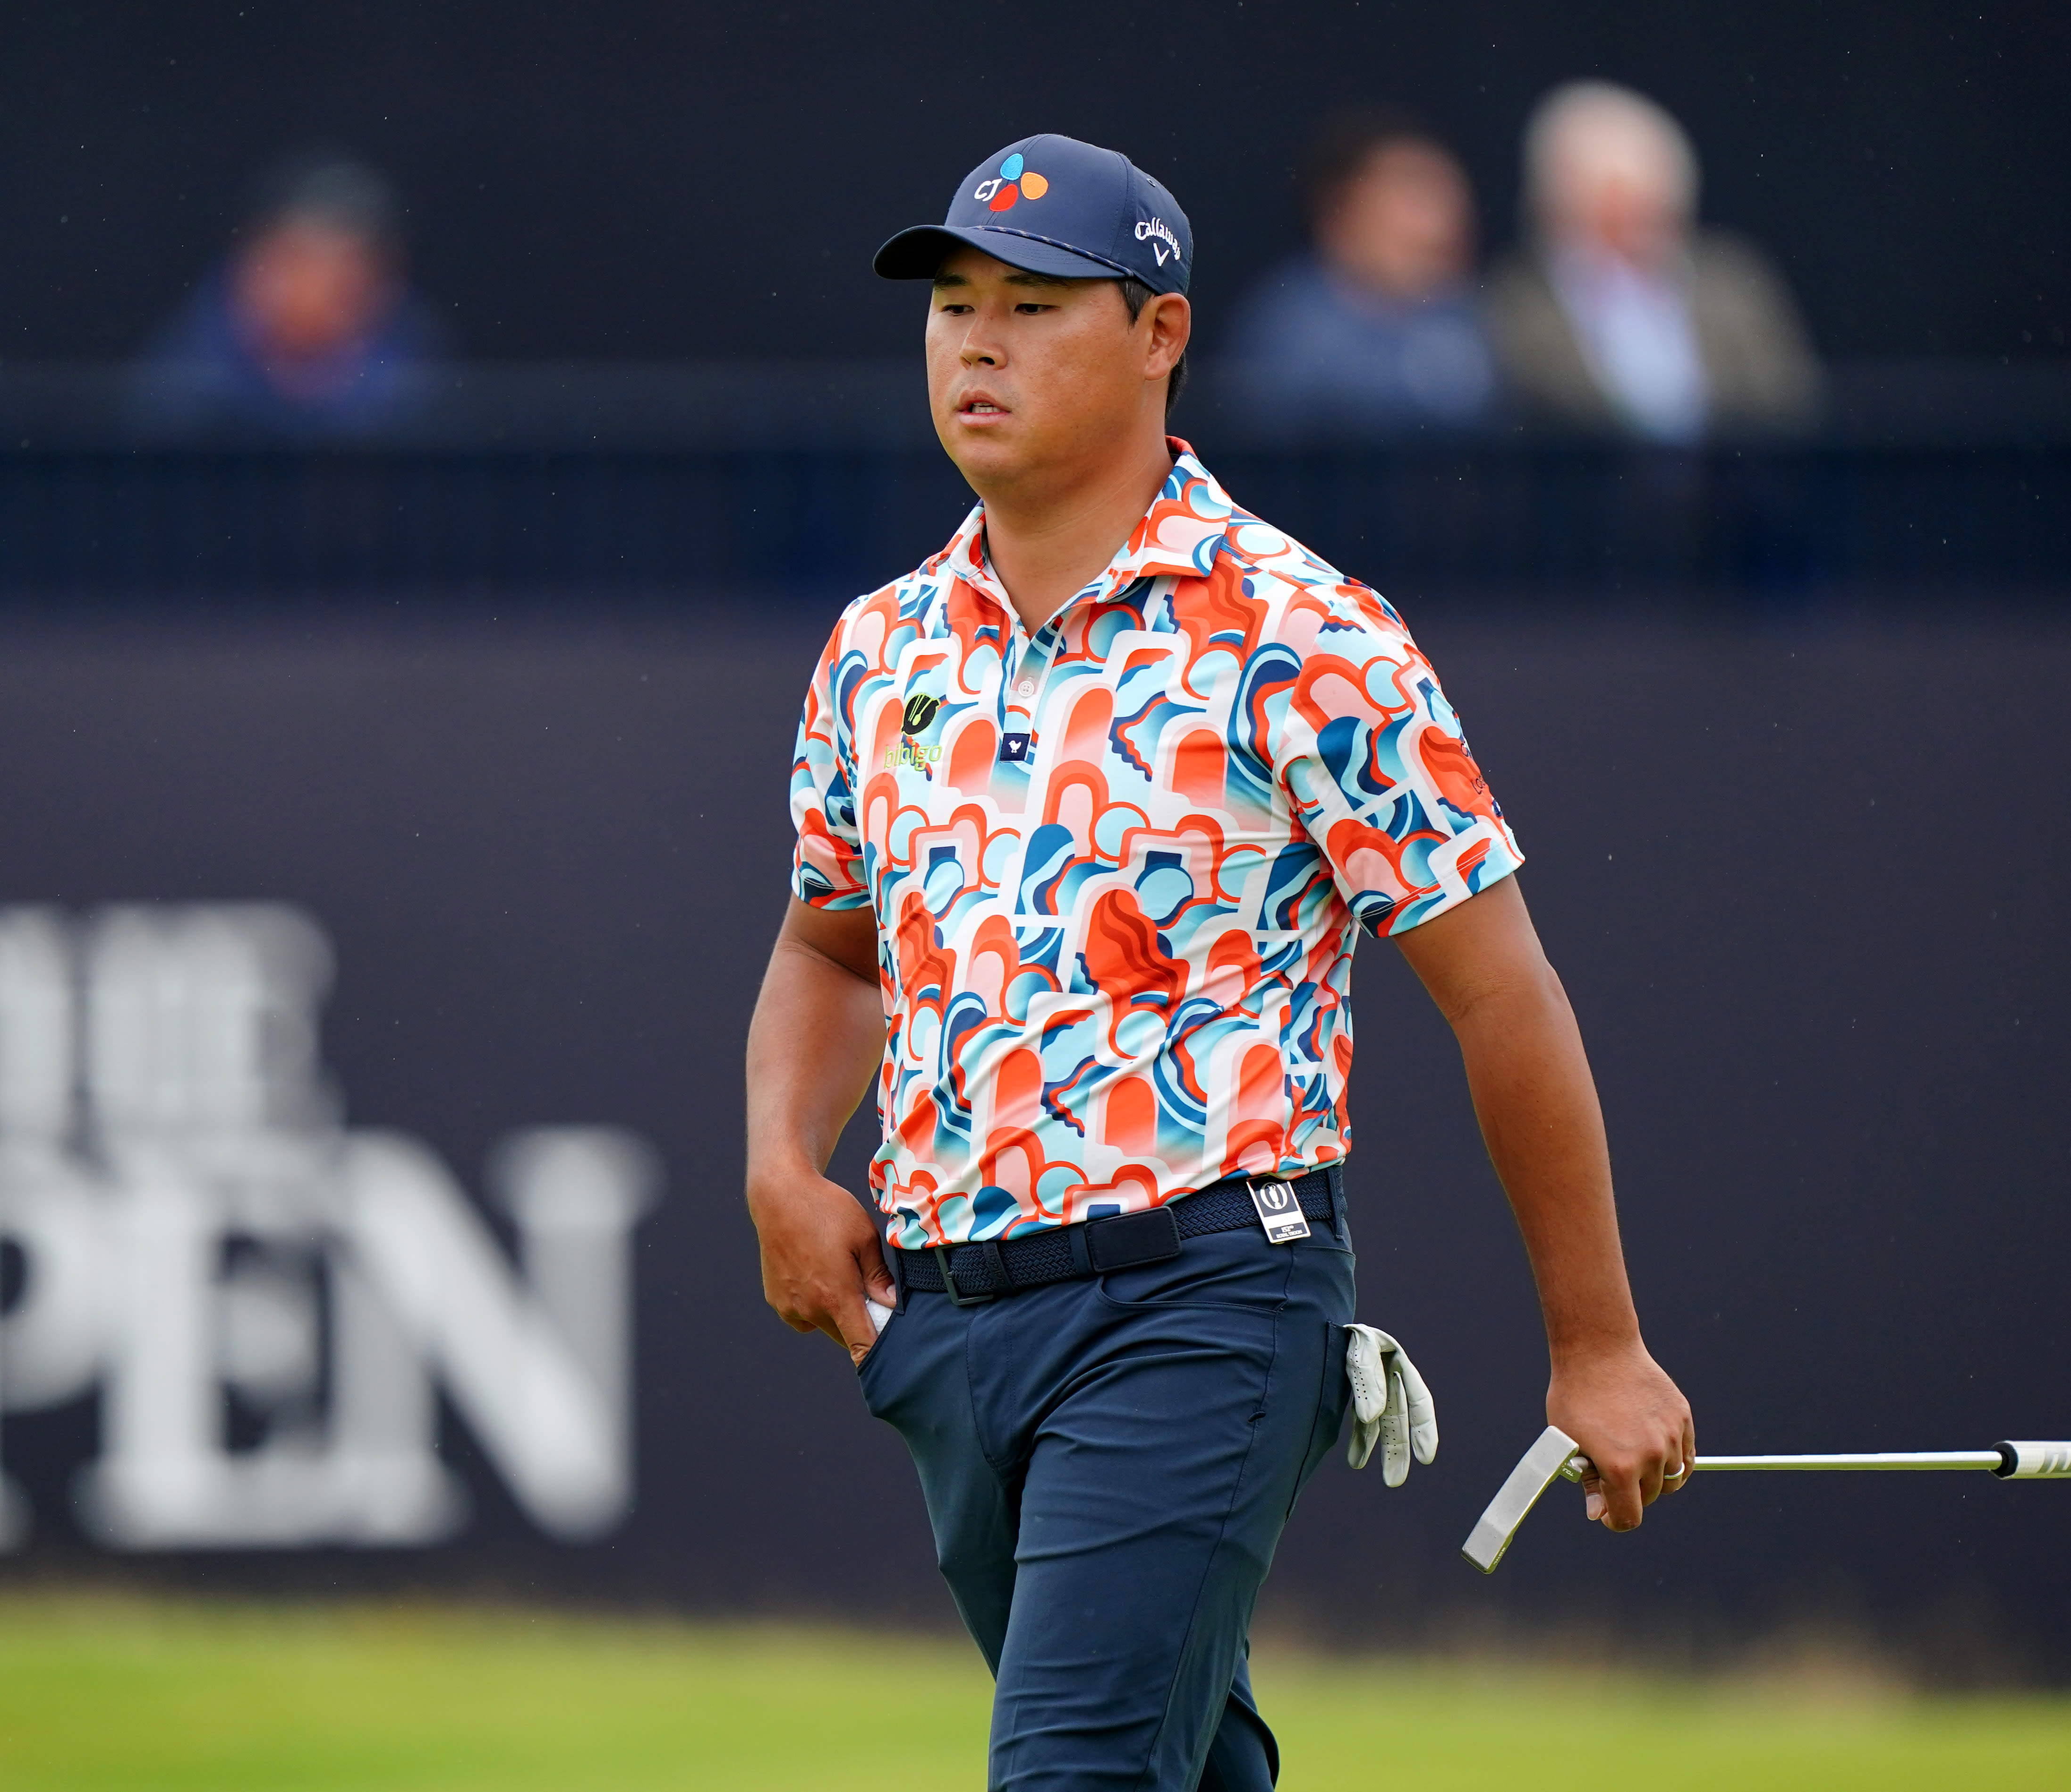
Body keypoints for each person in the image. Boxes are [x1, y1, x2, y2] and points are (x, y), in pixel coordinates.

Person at [744, 132, 1695, 1790]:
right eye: (952, 305)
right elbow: (832, 948)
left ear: (1159, 334)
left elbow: (1496, 990)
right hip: (951, 1328)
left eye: (1033, 306)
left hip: (1199, 1301)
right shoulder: (875, 650)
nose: (974, 342)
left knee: (1072, 1769)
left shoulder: (1298, 632)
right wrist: (776, 1164)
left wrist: (1594, 1341)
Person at [1488, 83, 1821, 443]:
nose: (1636, 221)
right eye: (1612, 206)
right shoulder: (1517, 297)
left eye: (1651, 202)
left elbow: (1789, 401)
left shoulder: (1732, 282)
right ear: (1557, 204)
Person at [1219, 111, 1498, 437]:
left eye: (1449, 200)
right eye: (1415, 199)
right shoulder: (1293, 332)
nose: (1439, 227)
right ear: (1341, 211)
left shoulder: (1477, 318)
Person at [134, 156, 437, 434]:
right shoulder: (177, 387)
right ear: (246, 265)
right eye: (296, 262)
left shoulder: (422, 389)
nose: (312, 289)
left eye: (341, 273)